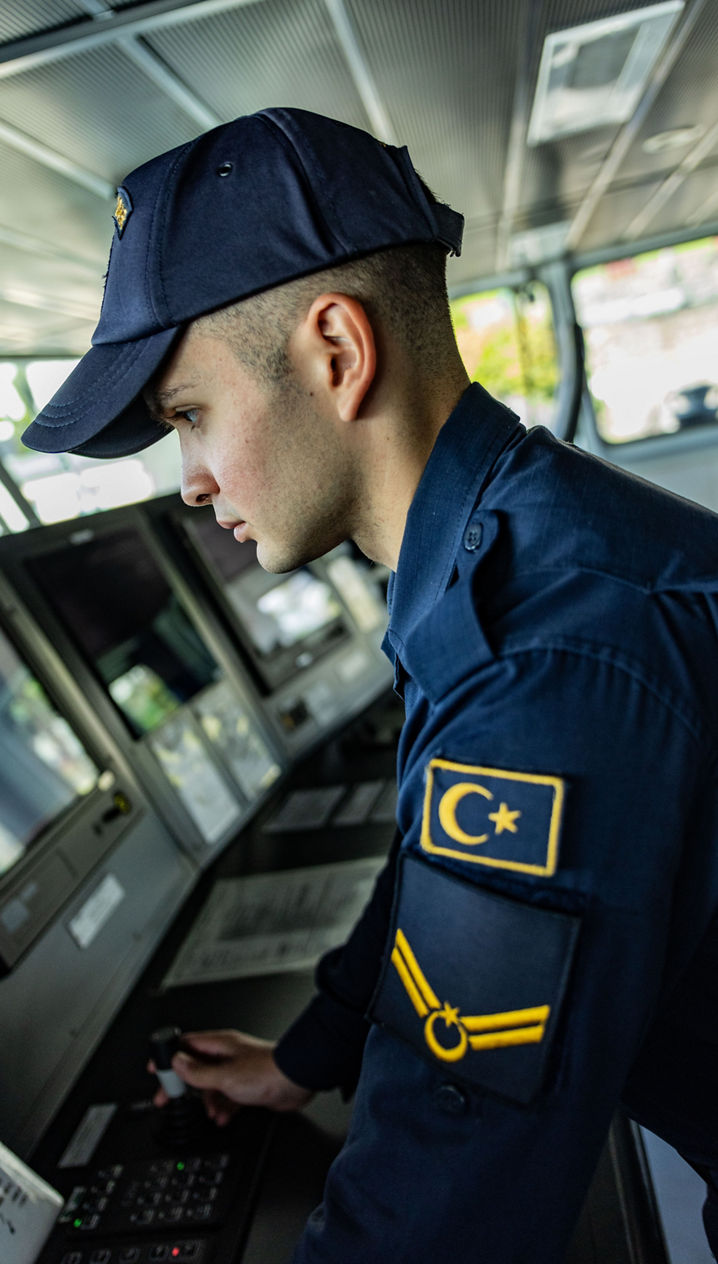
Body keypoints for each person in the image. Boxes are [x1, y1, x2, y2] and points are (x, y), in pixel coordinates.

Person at [22, 107, 718, 1262]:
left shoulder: (541, 650)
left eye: (188, 417)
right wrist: (311, 1052)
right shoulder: (509, 548)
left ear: (336, 353)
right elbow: (442, 850)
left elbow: (443, 1206)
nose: (188, 483)